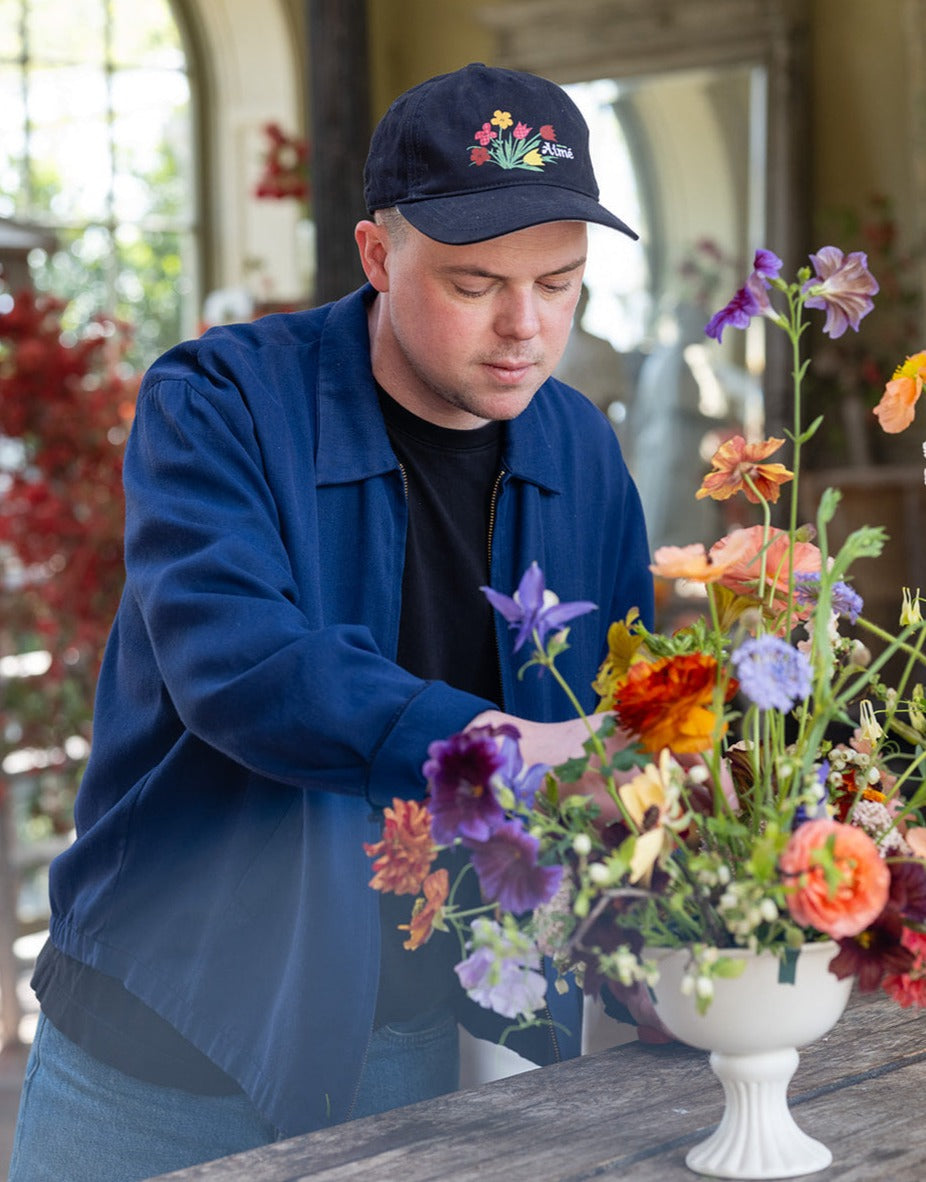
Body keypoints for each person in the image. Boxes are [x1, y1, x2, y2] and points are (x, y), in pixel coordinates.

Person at [9, 62, 653, 1180]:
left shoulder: (581, 449)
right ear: (373, 255)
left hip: (412, 1047)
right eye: (472, 285)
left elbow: (624, 724)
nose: (523, 331)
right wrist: (507, 754)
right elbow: (241, 669)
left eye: (559, 284)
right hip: (161, 1049)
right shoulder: (215, 404)